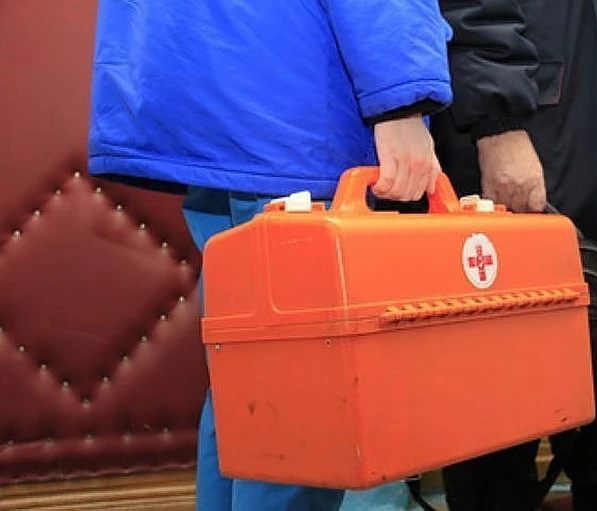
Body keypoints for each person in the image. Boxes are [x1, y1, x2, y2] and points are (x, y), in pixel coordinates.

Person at [86, 1, 453, 510]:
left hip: (218, 104)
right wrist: (401, 101)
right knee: (304, 402)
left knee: (246, 387)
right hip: (296, 108)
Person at [431, 0, 597, 510]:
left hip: (589, 115)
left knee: (577, 323)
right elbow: (474, 8)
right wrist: (498, 124)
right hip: (536, 123)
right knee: (504, 344)